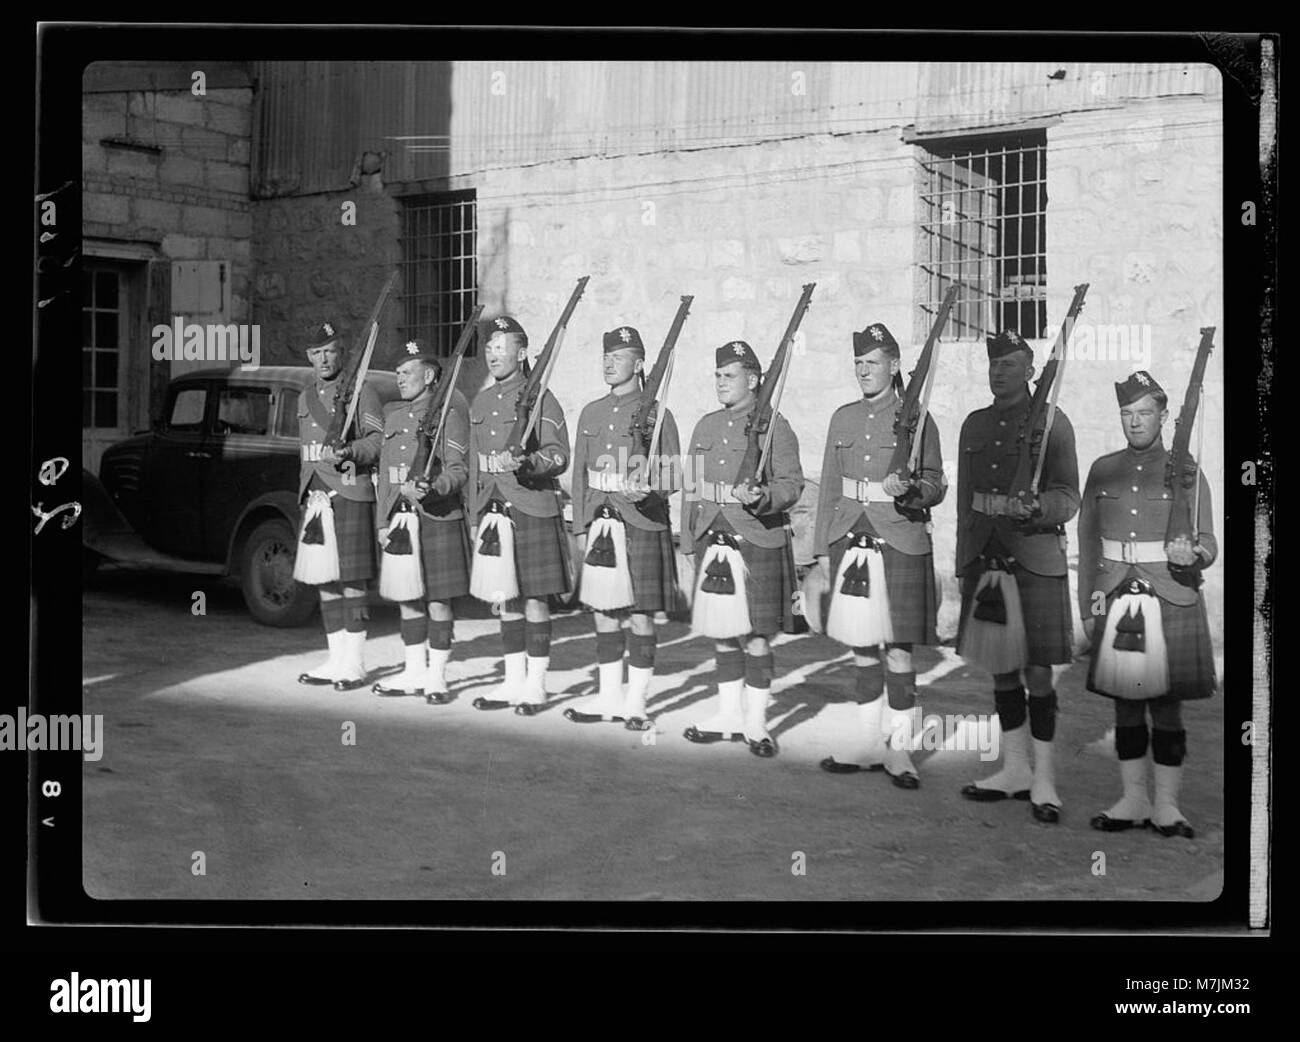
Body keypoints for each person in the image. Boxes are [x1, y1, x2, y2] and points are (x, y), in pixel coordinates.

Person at [1079, 370, 1217, 838]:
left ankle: (1168, 806)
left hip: (1169, 596)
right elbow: (1089, 545)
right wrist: (1090, 608)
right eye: (1127, 414)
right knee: (1125, 705)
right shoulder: (1102, 469)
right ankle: (1132, 799)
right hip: (1117, 595)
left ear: (1163, 416)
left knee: (1167, 706)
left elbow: (1208, 541)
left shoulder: (1186, 472)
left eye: (1144, 413)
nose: (1135, 423)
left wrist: (1194, 553)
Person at [956, 329, 1079, 824]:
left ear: (1030, 370)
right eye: (994, 363)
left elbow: (1068, 495)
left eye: (1009, 363)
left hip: (1034, 556)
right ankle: (1014, 768)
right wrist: (964, 560)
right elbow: (967, 500)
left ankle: (1045, 778)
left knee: (1038, 671)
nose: (998, 371)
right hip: (987, 554)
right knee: (1001, 666)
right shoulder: (974, 424)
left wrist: (1039, 507)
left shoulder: (1052, 423)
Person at [815, 322, 945, 789]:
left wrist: (911, 489)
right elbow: (830, 485)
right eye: (858, 363)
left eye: (872, 363)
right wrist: (823, 548)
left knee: (899, 650)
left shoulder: (919, 417)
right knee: (863, 648)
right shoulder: (842, 418)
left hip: (900, 538)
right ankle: (868, 743)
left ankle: (900, 750)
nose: (864, 371)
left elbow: (935, 484)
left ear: (894, 366)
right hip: (851, 535)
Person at [682, 340, 804, 758]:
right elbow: (691, 487)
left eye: (729, 375)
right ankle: (728, 714)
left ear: (753, 380)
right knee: (721, 633)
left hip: (754, 537)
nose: (720, 382)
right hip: (710, 537)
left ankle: (756, 721)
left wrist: (762, 497)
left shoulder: (775, 426)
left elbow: (791, 485)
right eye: (717, 375)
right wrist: (687, 539)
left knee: (755, 637)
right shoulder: (705, 425)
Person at [564, 326, 682, 730]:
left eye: (619, 356)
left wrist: (649, 488)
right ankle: (608, 698)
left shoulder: (659, 414)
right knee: (603, 613)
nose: (609, 362)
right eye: (606, 356)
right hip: (601, 520)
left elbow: (674, 475)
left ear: (639, 364)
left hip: (643, 521)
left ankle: (637, 703)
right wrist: (580, 526)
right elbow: (580, 474)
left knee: (641, 616)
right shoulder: (591, 413)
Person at [467, 315, 572, 714]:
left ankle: (536, 684)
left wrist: (528, 463)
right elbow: (477, 466)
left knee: (534, 598)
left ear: (522, 352)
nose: (493, 355)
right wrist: (476, 515)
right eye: (489, 348)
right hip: (494, 508)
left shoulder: (542, 397)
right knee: (504, 598)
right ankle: (511, 681)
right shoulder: (481, 401)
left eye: (502, 347)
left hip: (531, 505)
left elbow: (558, 454)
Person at [372, 340, 472, 703]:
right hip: (401, 518)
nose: (400, 379)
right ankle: (412, 671)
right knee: (407, 596)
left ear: (429, 376)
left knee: (439, 600)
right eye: (397, 373)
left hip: (438, 515)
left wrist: (434, 488)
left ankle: (437, 676)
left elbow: (460, 470)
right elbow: (386, 477)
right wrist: (383, 521)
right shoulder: (394, 417)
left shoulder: (449, 415)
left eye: (407, 373)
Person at [294, 320, 384, 691]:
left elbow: (378, 441)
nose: (324, 359)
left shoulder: (362, 392)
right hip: (315, 495)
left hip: (349, 490)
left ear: (341, 351)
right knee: (324, 578)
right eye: (317, 353)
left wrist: (350, 451)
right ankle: (335, 657)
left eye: (330, 351)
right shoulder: (305, 397)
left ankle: (356, 662)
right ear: (308, 356)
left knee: (352, 579)